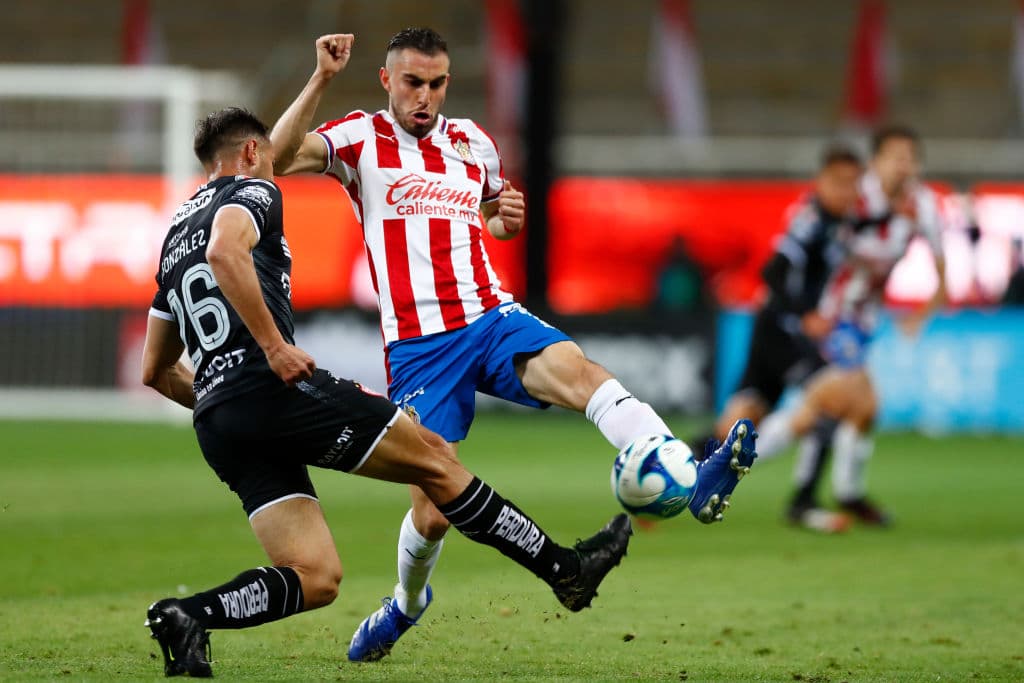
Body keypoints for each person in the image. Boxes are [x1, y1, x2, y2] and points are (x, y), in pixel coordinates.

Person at [270, 30, 759, 662]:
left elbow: (494, 212)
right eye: (412, 82)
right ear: (387, 80)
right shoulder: (360, 138)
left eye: (436, 83)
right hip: (420, 346)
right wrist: (321, 77)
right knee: (433, 510)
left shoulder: (473, 141)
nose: (424, 96)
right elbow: (278, 157)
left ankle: (690, 478)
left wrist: (504, 220)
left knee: (579, 373)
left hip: (490, 315)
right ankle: (406, 604)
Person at [140, 105, 636, 677]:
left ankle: (187, 615)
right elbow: (225, 252)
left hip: (218, 419)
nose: (278, 164)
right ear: (252, 152)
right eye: (271, 154)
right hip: (271, 387)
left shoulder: (174, 236)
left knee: (316, 576)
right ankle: (566, 572)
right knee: (435, 459)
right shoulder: (254, 191)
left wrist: (226, 401)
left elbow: (156, 370)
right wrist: (273, 350)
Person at [753, 124, 948, 526]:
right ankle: (736, 469)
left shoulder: (923, 205)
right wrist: (801, 305)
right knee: (843, 403)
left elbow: (943, 272)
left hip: (863, 320)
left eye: (910, 158)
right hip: (831, 314)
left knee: (849, 410)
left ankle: (832, 493)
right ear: (876, 162)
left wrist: (921, 314)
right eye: (895, 157)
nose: (903, 165)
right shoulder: (855, 197)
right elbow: (810, 233)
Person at [712, 144, 864, 532]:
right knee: (833, 398)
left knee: (741, 421)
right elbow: (773, 272)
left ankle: (669, 478)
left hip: (774, 327)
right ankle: (801, 501)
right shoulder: (810, 221)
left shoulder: (841, 221)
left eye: (852, 183)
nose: (846, 191)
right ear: (821, 182)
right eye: (838, 182)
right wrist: (806, 314)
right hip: (783, 330)